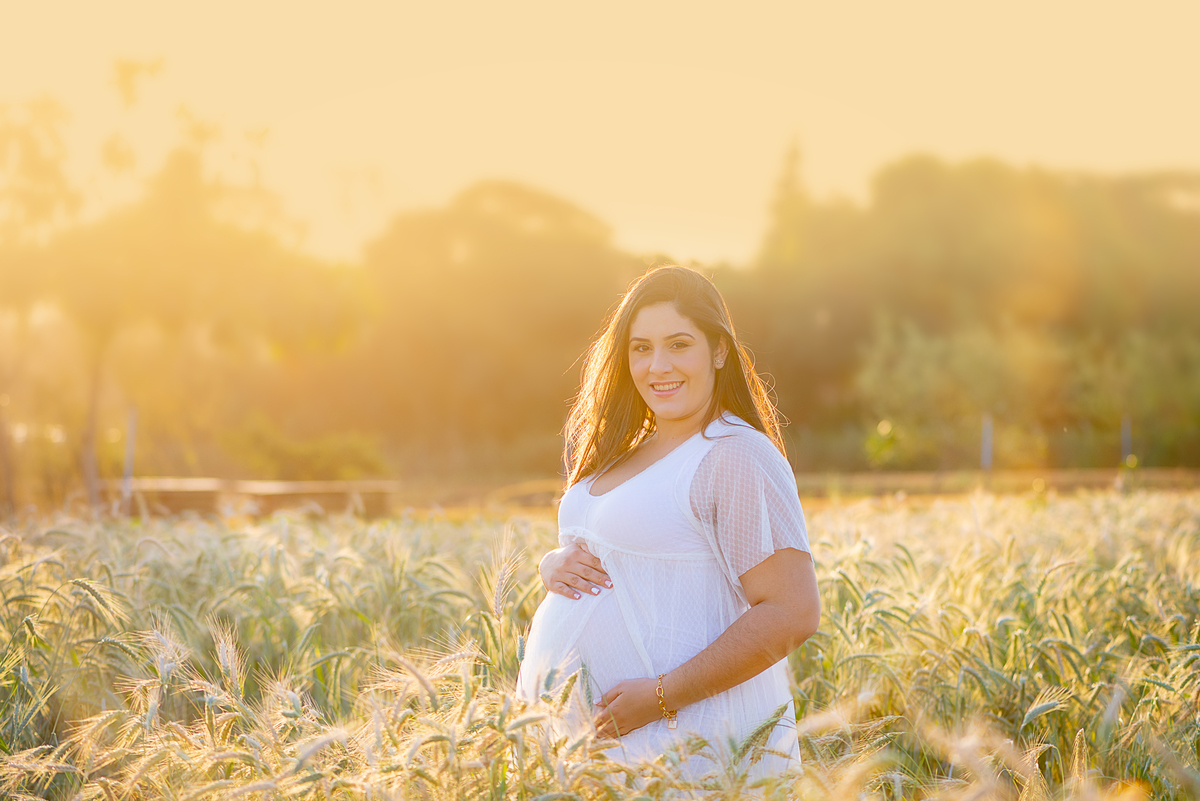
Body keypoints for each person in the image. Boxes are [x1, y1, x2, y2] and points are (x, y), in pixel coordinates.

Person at [515, 265, 820, 780]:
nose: (658, 366)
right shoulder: (626, 450)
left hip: (683, 749)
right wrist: (553, 564)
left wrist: (659, 698)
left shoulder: (733, 453)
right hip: (594, 755)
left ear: (718, 351)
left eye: (679, 344)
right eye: (641, 348)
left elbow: (792, 611)